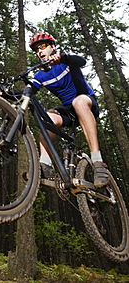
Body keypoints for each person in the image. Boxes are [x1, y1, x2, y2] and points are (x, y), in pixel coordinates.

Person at [29, 32, 108, 188]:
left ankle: (97, 161)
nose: (39, 51)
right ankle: (45, 164)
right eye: (36, 49)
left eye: (43, 46)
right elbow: (27, 92)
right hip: (68, 112)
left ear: (53, 46)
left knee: (78, 102)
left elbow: (81, 61)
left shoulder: (65, 58)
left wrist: (64, 58)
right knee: (48, 116)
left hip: (86, 102)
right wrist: (4, 93)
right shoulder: (40, 75)